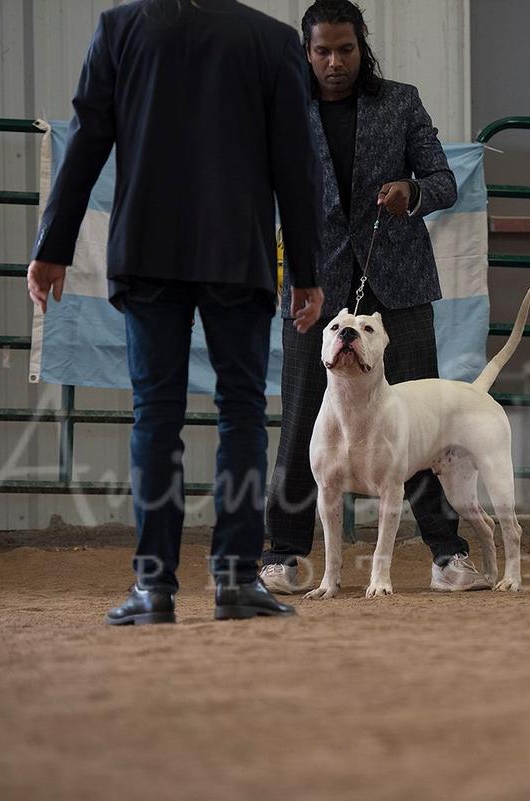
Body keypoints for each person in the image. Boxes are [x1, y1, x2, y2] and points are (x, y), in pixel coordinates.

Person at [26, 0, 327, 624]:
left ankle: (154, 588)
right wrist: (307, 270)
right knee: (241, 412)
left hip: (147, 248)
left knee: (155, 415)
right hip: (236, 250)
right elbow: (295, 164)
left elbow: (87, 140)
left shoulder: (120, 29)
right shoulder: (270, 42)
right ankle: (238, 581)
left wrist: (53, 247)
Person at [261, 0, 490, 594]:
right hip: (315, 288)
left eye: (345, 49)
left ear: (362, 47)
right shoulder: (284, 111)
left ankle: (448, 558)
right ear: (305, 53)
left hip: (400, 290)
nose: (334, 62)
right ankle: (283, 555)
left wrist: (411, 191)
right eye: (321, 51)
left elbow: (442, 180)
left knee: (424, 426)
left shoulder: (401, 102)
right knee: (300, 424)